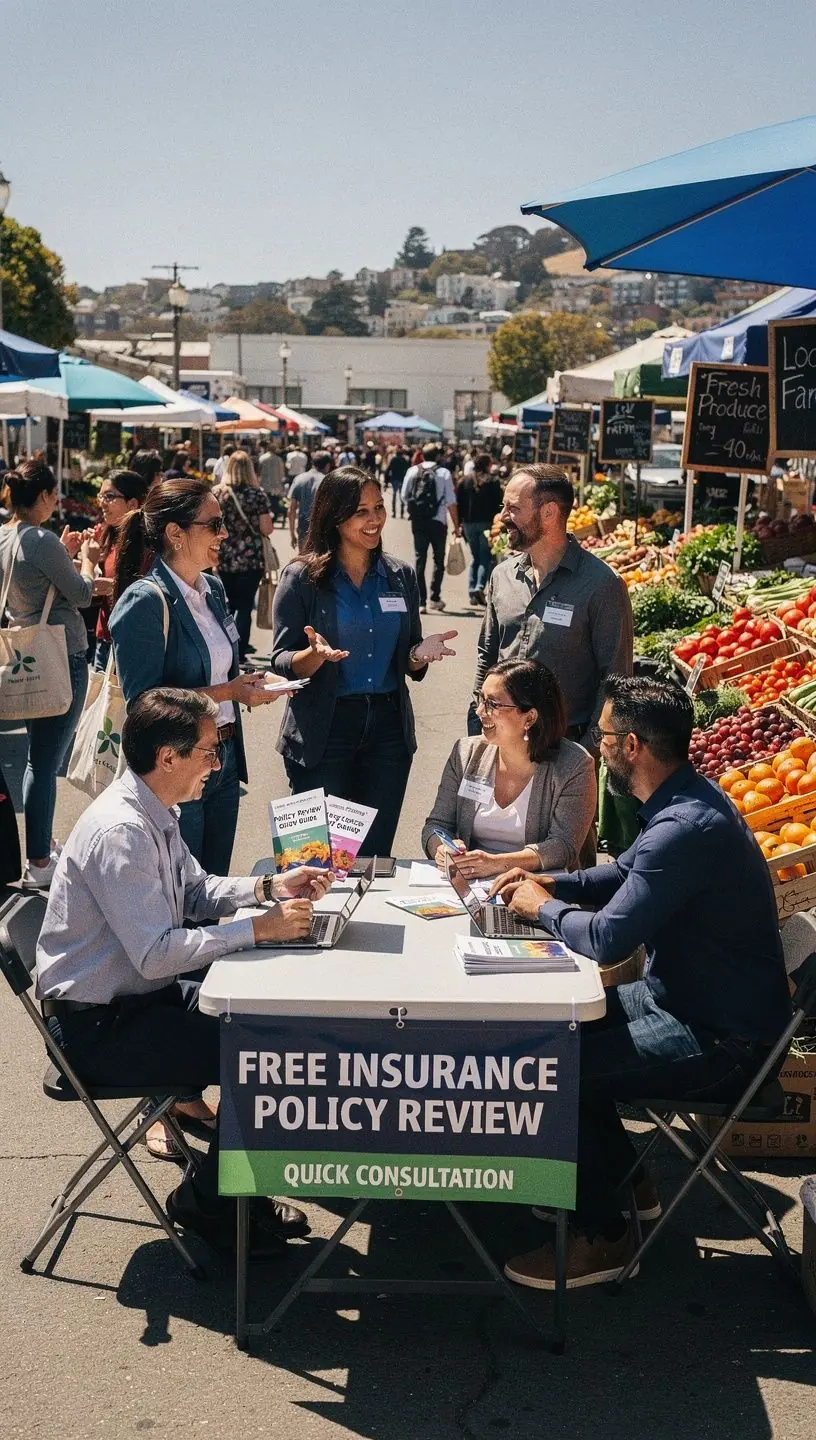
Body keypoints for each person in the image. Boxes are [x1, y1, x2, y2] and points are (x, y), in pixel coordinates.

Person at [491, 675, 792, 1290]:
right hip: (682, 1002)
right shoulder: (686, 802)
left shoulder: (684, 827)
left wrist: (542, 908)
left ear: (631, 746)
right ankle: (628, 1184)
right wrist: (551, 883)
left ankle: (603, 1237)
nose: (597, 748)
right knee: (558, 1035)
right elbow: (624, 873)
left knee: (555, 1071)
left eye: (603, 737)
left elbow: (608, 940)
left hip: (721, 1041)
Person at [36, 687, 335, 1251]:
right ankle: (212, 1205)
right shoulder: (122, 831)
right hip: (96, 1029)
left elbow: (195, 891)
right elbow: (156, 954)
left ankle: (230, 1194)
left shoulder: (153, 809)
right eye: (208, 751)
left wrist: (269, 887)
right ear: (167, 757)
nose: (217, 765)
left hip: (132, 1003)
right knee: (267, 1061)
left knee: (272, 1026)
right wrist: (259, 929)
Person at [272, 466, 458, 857]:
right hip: (325, 730)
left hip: (387, 731)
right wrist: (314, 656)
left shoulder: (401, 576)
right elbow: (283, 661)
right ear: (334, 516)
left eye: (378, 508)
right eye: (361, 512)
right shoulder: (301, 577)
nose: (374, 519)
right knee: (313, 859)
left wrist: (418, 654)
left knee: (373, 859)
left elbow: (408, 656)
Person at [110, 479, 287, 875]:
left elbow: (220, 667)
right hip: (174, 767)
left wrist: (253, 684)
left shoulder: (214, 590)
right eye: (214, 524)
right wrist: (229, 692)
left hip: (222, 759)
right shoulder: (144, 601)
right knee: (180, 892)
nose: (224, 534)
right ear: (176, 533)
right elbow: (143, 704)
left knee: (214, 886)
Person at [470, 465, 633, 749]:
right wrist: (476, 720)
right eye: (503, 507)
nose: (503, 517)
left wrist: (588, 748)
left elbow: (616, 679)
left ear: (548, 512)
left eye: (513, 509)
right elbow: (488, 654)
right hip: (501, 742)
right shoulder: (502, 576)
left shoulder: (602, 585)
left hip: (565, 745)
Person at [0, 461, 104, 889]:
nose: (57, 500)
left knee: (36, 759)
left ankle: (41, 847)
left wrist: (60, 551)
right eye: (54, 494)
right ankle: (40, 860)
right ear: (43, 496)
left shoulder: (6, 536)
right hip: (61, 654)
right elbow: (81, 594)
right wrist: (88, 561)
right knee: (44, 763)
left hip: (24, 654)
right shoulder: (42, 540)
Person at [422, 659, 595, 878]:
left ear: (530, 717)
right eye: (481, 699)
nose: (480, 711)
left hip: (535, 886)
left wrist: (496, 864)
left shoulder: (575, 765)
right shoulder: (465, 752)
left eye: (492, 704)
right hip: (470, 883)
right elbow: (436, 825)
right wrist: (441, 848)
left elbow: (563, 847)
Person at [213, 449, 276, 662]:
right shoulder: (256, 495)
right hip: (251, 559)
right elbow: (267, 528)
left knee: (227, 605)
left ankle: (224, 647)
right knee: (245, 605)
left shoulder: (217, 494)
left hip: (224, 556)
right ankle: (239, 650)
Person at [92, 469, 154, 671]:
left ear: (132, 504)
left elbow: (155, 590)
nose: (102, 503)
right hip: (105, 638)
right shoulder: (108, 535)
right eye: (101, 496)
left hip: (132, 641)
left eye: (109, 496)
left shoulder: (147, 544)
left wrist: (113, 587)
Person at [401, 442, 461, 613]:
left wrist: (417, 508)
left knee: (420, 559)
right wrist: (456, 525)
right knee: (438, 559)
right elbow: (451, 502)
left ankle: (421, 602)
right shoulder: (444, 473)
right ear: (438, 456)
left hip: (418, 521)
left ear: (422, 455)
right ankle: (435, 597)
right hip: (438, 521)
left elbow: (404, 496)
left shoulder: (412, 471)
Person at [457, 453, 503, 606]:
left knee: (475, 556)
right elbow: (500, 503)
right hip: (486, 524)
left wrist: (459, 523)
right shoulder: (493, 482)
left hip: (468, 524)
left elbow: (459, 504)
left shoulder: (464, 481)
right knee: (485, 556)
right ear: (488, 465)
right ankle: (479, 587)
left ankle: (472, 591)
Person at [288, 449, 332, 554]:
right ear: (327, 465)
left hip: (303, 529)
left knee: (303, 559)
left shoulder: (299, 479)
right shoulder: (327, 481)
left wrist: (292, 534)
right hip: (322, 530)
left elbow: (291, 509)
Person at [258, 440, 286, 526]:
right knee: (275, 502)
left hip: (264, 485)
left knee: (265, 503)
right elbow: (281, 473)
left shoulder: (262, 458)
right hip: (275, 486)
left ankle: (266, 519)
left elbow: (259, 471)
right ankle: (274, 517)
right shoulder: (279, 460)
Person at [384, 445, 410, 518]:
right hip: (402, 479)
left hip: (394, 479)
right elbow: (407, 470)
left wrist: (386, 481)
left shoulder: (393, 459)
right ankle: (401, 513)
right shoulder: (404, 460)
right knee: (401, 496)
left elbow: (388, 470)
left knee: (394, 496)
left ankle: (394, 513)